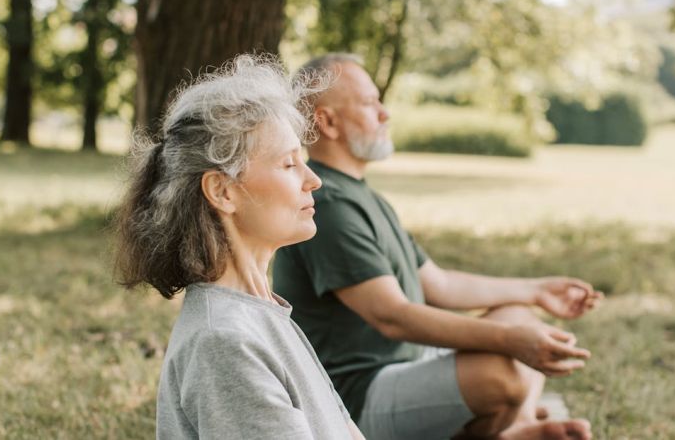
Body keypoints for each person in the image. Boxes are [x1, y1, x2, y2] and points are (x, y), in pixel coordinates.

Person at [273, 53, 602, 440]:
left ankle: (518, 427)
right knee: (505, 371)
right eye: (368, 103)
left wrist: (537, 290)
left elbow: (440, 285)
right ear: (326, 121)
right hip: (354, 401)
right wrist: (512, 342)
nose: (384, 114)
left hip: (406, 366)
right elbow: (392, 317)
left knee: (518, 315)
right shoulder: (328, 205)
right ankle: (512, 430)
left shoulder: (361, 196)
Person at [113, 54, 365, 440]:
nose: (313, 179)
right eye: (288, 164)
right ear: (223, 191)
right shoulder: (225, 342)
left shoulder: (262, 314)